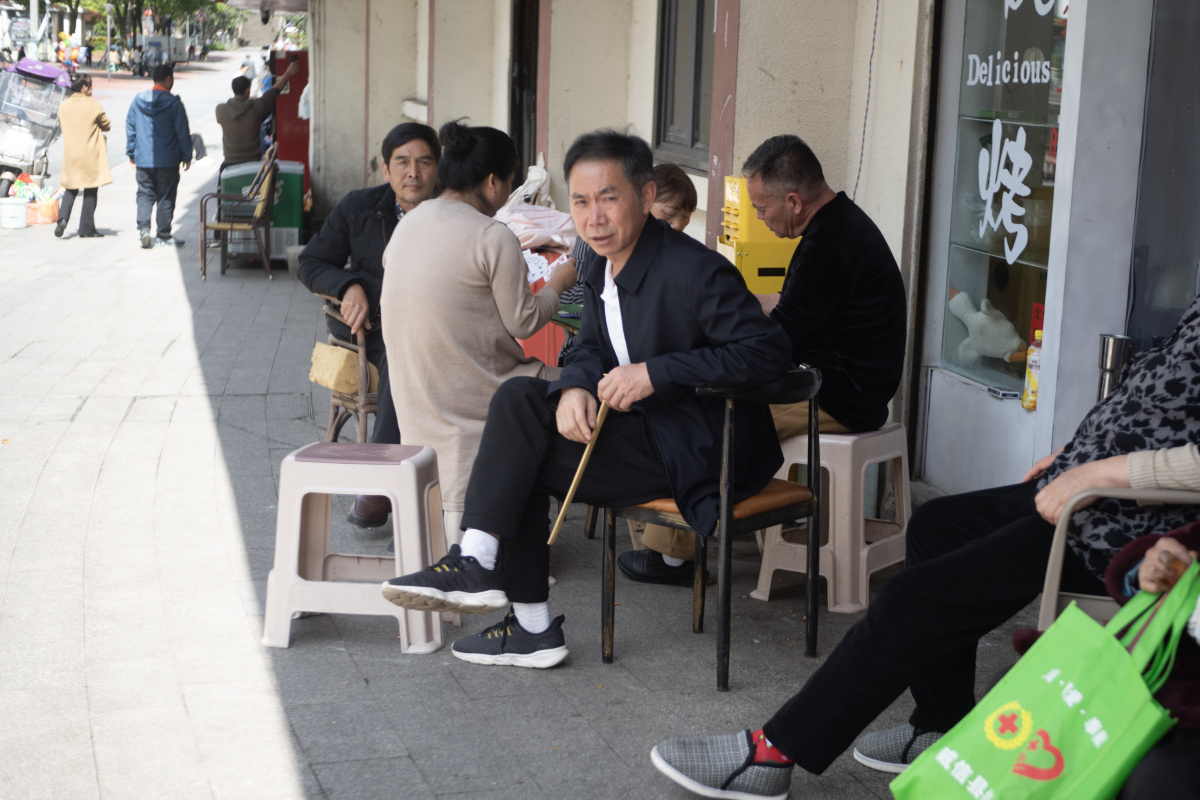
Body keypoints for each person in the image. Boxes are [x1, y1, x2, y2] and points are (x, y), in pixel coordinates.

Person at [648, 293, 1200, 799]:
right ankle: (941, 722)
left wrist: (1100, 471)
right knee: (936, 525)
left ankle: (773, 753)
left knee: (917, 596)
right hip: (1095, 489)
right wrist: (1079, 452)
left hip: (1125, 519)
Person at [379, 130, 792, 669]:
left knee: (521, 429)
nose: (593, 218)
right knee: (521, 415)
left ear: (645, 196)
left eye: (608, 198)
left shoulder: (694, 270)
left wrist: (657, 373)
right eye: (580, 201)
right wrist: (575, 384)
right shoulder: (599, 263)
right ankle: (513, 604)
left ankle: (491, 576)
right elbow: (590, 345)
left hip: (700, 446)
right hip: (644, 434)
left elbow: (768, 352)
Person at [623, 134, 908, 586]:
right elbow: (787, 310)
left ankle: (674, 556)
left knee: (708, 415)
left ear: (793, 201)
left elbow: (776, 344)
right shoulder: (840, 225)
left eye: (760, 208)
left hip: (839, 397)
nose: (758, 216)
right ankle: (685, 532)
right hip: (846, 384)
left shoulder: (829, 245)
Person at [379, 120, 577, 535]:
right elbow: (524, 321)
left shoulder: (408, 224)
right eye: (510, 181)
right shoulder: (491, 235)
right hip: (475, 390)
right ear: (492, 181)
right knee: (581, 383)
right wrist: (559, 281)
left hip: (416, 393)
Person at [297, 123, 440, 529]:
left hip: (441, 328)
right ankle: (381, 481)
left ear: (438, 167)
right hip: (376, 329)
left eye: (424, 162)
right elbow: (311, 262)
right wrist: (349, 285)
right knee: (401, 354)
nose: (413, 173)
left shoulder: (450, 211)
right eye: (403, 162)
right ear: (385, 169)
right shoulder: (359, 207)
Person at [125, 64, 192, 249]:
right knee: (166, 196)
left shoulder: (138, 100)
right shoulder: (174, 103)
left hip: (143, 159)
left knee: (144, 194)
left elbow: (131, 128)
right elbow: (182, 132)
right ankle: (163, 234)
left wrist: (132, 153)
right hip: (168, 160)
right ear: (168, 79)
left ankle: (144, 230)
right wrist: (187, 155)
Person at [54, 73, 111, 239]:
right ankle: (86, 228)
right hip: (90, 155)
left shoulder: (63, 106)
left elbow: (61, 124)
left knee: (70, 189)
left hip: (71, 155)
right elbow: (107, 125)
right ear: (84, 87)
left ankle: (62, 220)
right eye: (91, 86)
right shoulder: (94, 105)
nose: (92, 89)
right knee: (91, 190)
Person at [215, 60, 300, 168]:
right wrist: (288, 73)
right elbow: (274, 92)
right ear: (248, 91)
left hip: (229, 162)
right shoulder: (256, 107)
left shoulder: (220, 109)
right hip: (253, 162)